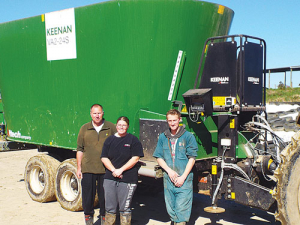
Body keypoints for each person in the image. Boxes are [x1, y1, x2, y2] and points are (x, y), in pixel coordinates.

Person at [153, 109, 198, 225]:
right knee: (171, 210)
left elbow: (192, 159)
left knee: (182, 211)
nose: (172, 123)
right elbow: (159, 157)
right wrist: (169, 171)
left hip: (184, 178)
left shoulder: (188, 137)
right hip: (169, 178)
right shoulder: (163, 137)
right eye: (169, 121)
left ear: (179, 120)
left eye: (174, 120)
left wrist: (182, 177)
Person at [76, 104, 117, 225]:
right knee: (88, 197)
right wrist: (79, 167)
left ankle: (104, 220)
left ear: (103, 113)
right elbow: (80, 149)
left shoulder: (110, 127)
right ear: (90, 114)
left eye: (99, 113)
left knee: (105, 197)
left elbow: (117, 145)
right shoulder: (84, 128)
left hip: (106, 169)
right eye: (94, 113)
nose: (97, 115)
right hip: (88, 168)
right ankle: (89, 220)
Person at [101, 116, 144, 225]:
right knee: (110, 208)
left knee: (125, 208)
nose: (121, 127)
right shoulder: (109, 140)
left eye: (124, 125)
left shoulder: (133, 140)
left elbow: (135, 158)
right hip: (110, 177)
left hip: (128, 178)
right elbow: (104, 157)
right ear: (116, 125)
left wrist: (121, 170)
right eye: (119, 125)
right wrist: (114, 170)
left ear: (128, 127)